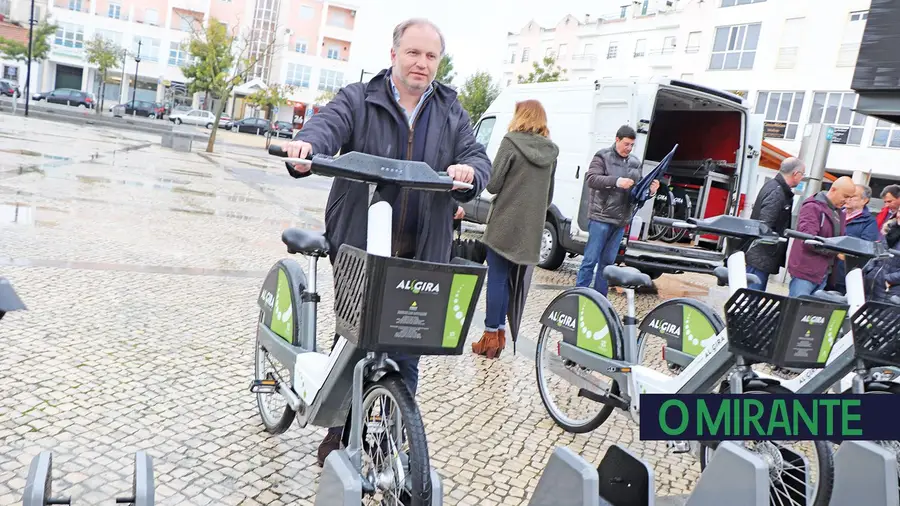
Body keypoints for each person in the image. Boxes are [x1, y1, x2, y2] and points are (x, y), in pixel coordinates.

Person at [283, 17, 491, 467]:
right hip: (361, 242)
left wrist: (469, 173)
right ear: (394, 54)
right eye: (413, 53)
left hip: (422, 250)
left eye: (430, 56)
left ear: (438, 62)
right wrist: (306, 147)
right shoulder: (360, 99)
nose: (421, 63)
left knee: (407, 347)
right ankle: (340, 430)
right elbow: (327, 127)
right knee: (357, 338)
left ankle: (394, 434)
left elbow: (476, 156)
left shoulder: (451, 109)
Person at [470, 100, 559, 359]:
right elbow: (549, 197)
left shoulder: (511, 142)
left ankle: (489, 338)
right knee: (509, 280)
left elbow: (493, 185)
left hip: (504, 224)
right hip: (529, 230)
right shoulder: (552, 152)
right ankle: (498, 336)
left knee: (496, 278)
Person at [576, 125, 659, 296]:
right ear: (617, 140)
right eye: (626, 144)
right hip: (600, 218)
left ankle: (600, 300)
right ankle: (579, 296)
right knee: (590, 261)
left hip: (621, 222)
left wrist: (650, 191)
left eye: (632, 145)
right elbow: (591, 179)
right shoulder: (602, 156)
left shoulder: (635, 162)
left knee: (607, 265)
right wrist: (616, 181)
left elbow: (638, 191)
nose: (629, 148)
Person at [786, 177, 856, 297]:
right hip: (806, 270)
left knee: (809, 312)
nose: (847, 201)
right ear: (833, 189)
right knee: (796, 309)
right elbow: (808, 240)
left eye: (850, 197)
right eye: (845, 196)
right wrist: (836, 251)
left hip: (823, 272)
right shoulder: (812, 207)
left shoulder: (840, 213)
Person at [744, 157, 806, 291]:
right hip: (761, 255)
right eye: (803, 174)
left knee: (751, 296)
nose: (802, 178)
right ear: (795, 173)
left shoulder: (775, 187)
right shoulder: (777, 192)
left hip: (761, 254)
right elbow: (764, 225)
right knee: (750, 297)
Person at [831, 183, 882, 293]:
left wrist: (843, 253)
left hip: (844, 274)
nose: (848, 199)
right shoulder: (835, 213)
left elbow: (865, 248)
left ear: (864, 200)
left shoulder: (869, 222)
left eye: (853, 196)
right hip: (825, 269)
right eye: (847, 196)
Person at [863, 220, 900, 302]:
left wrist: (888, 279)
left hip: (891, 291)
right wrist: (869, 270)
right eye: (899, 211)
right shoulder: (892, 231)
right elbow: (878, 253)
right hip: (872, 285)